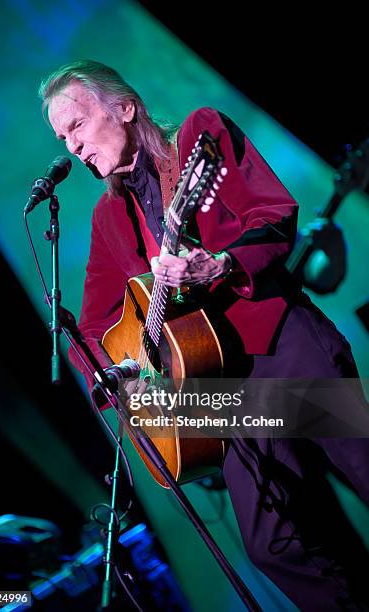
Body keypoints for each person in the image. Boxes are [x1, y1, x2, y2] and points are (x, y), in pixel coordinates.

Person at [39, 60, 369, 610]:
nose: (71, 146)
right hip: (218, 394)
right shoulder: (109, 217)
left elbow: (273, 213)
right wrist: (122, 375)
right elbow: (90, 327)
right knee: (274, 545)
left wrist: (218, 267)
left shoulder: (198, 136)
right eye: (61, 137)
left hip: (281, 349)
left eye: (76, 125)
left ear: (124, 107)